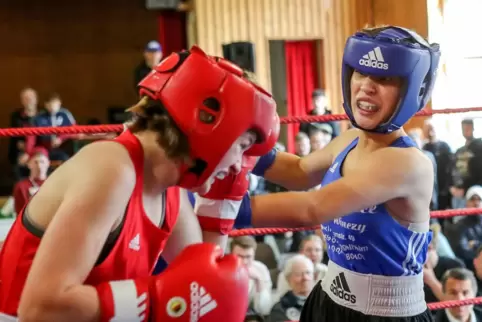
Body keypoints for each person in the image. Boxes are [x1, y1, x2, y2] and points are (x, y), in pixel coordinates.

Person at [0, 45, 279, 322]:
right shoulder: (112, 170)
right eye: (241, 146)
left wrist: (222, 210)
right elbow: (40, 308)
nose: (236, 166)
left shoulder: (169, 191)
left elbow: (204, 284)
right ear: (209, 125)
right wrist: (155, 299)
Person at [196, 25, 441, 321]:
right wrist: (244, 145)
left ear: (414, 88)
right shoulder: (350, 139)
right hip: (329, 299)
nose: (366, 86)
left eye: (384, 78)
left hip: (385, 314)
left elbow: (313, 209)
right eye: (361, 73)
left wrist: (224, 208)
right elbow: (300, 171)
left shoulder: (407, 163)